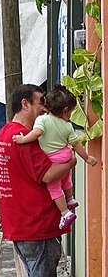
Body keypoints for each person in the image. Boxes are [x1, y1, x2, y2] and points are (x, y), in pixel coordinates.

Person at [0, 84, 78, 277]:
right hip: (38, 226)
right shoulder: (26, 139)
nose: (45, 108)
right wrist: (71, 161)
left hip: (18, 225)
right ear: (25, 104)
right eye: (41, 102)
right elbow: (48, 175)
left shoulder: (2, 135)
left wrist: (1, 215)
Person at [12, 85, 98, 230]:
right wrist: (87, 158)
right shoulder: (67, 126)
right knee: (65, 177)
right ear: (65, 111)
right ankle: (70, 198)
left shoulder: (43, 120)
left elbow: (37, 133)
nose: (70, 115)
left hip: (53, 159)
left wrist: (23, 139)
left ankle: (65, 212)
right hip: (66, 154)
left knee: (54, 186)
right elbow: (76, 145)